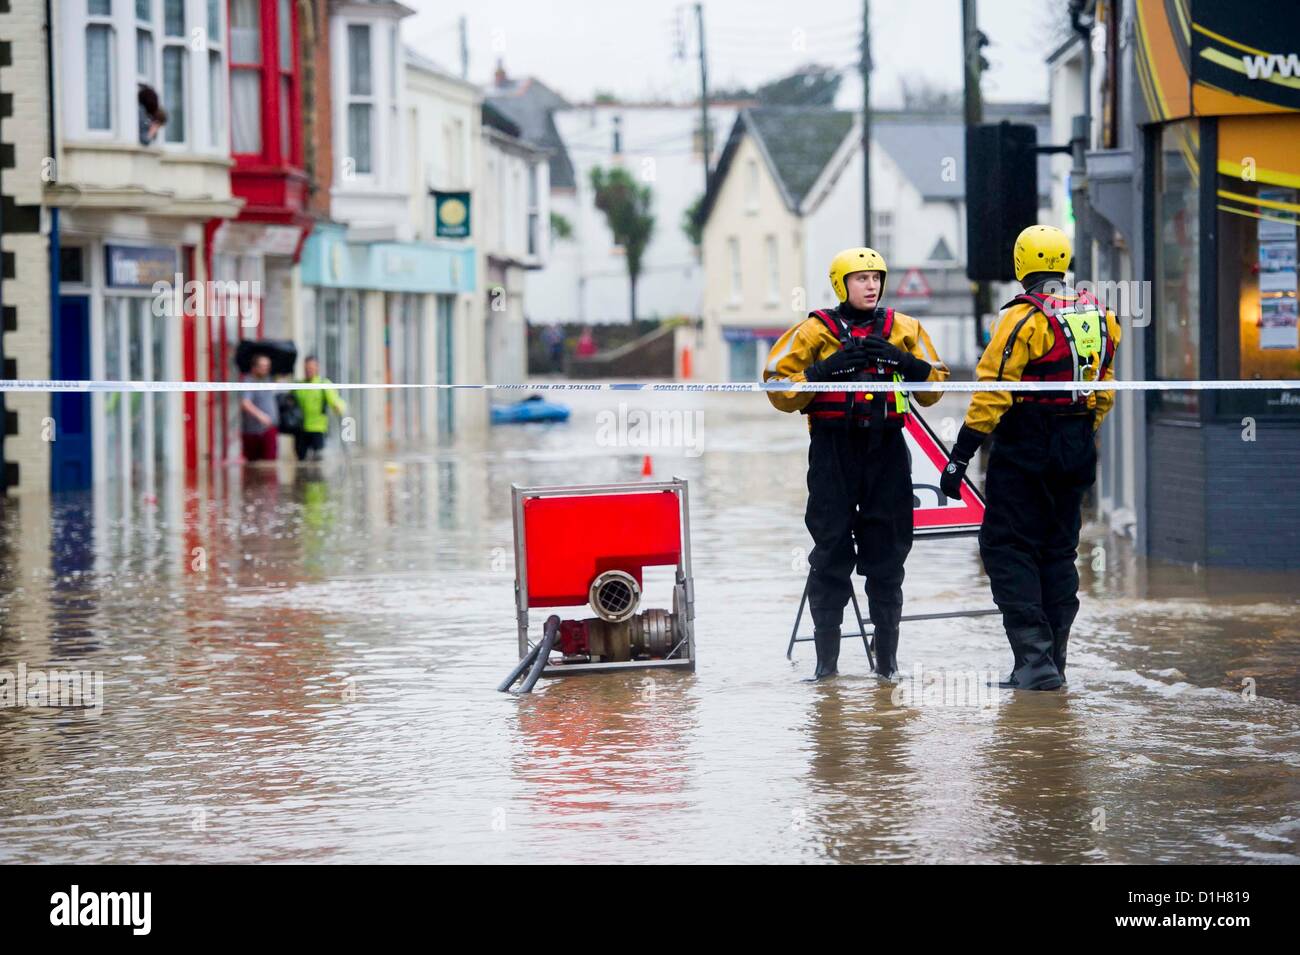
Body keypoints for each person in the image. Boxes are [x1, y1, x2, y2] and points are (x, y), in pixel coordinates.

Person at [939, 225, 1121, 690]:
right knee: (1059, 551)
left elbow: (991, 392)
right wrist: (1081, 434)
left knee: (1006, 546)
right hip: (1077, 443)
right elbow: (1104, 392)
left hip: (1027, 446)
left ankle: (1033, 661)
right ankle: (1053, 663)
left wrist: (959, 457)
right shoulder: (1101, 315)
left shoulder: (1024, 319)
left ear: (1022, 266)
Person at [764, 247, 949, 681]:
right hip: (833, 453)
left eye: (876, 278)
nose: (871, 285)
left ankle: (887, 665)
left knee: (888, 557)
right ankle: (826, 666)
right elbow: (776, 388)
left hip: (886, 452)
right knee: (830, 554)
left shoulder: (904, 329)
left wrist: (906, 363)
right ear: (841, 284)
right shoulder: (813, 332)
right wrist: (821, 372)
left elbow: (937, 386)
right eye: (861, 278)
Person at [291, 356, 347, 462]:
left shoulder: (323, 383)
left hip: (317, 428)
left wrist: (339, 407)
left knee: (317, 460)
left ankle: (317, 479)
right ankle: (302, 478)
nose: (309, 371)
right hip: (300, 429)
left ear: (317, 368)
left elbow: (335, 399)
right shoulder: (298, 385)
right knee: (301, 460)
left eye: (311, 368)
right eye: (307, 368)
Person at [240, 353, 280, 463]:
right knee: (254, 466)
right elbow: (245, 403)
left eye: (267, 366)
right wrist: (260, 416)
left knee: (270, 464)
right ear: (254, 367)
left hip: (269, 429)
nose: (265, 369)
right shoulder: (249, 381)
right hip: (253, 431)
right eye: (262, 366)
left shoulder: (269, 379)